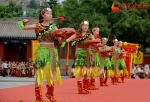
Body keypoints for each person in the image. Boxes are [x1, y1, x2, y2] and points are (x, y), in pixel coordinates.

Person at [18, 6, 64, 102]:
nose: (50, 15)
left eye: (51, 13)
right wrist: (23, 22)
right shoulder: (38, 25)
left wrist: (63, 36)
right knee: (39, 74)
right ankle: (38, 97)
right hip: (42, 51)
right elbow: (23, 28)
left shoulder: (54, 27)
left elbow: (60, 41)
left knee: (51, 74)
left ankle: (50, 93)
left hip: (52, 52)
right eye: (47, 13)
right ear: (42, 15)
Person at [66, 21, 95, 94]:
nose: (86, 27)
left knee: (87, 71)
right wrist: (67, 39)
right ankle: (80, 89)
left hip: (87, 54)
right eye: (84, 26)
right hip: (80, 54)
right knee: (80, 71)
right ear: (81, 27)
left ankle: (86, 88)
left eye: (87, 26)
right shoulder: (77, 34)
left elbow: (95, 42)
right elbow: (69, 39)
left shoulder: (90, 35)